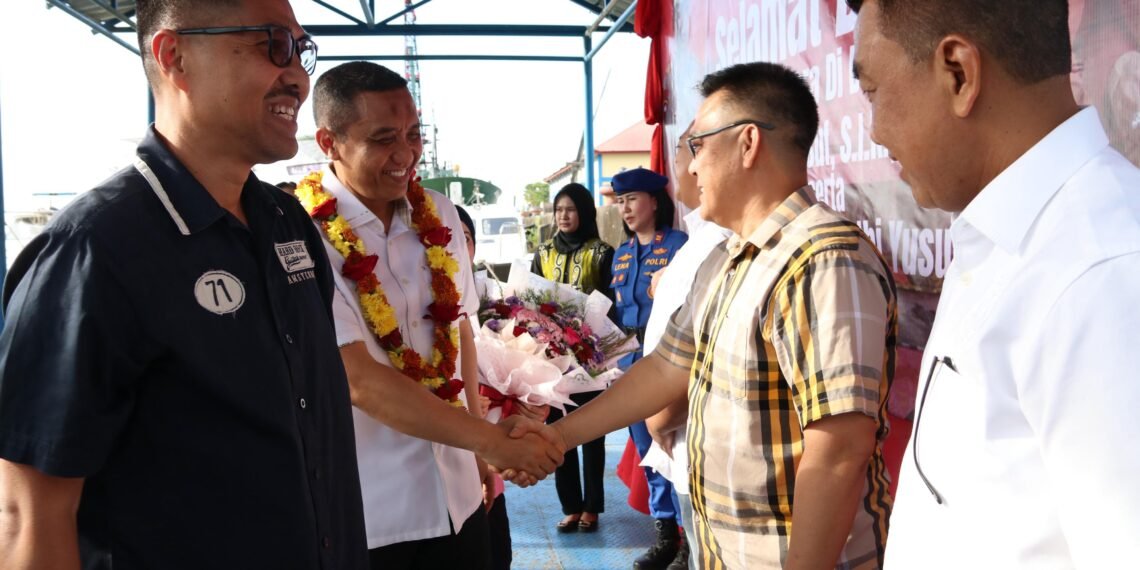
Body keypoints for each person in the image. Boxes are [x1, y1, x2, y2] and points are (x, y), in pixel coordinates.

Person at [0, 1, 371, 568]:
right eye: (273, 43)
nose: (298, 75)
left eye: (302, 49)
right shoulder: (94, 251)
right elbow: (30, 517)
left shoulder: (286, 222)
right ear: (175, 57)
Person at [507, 61, 897, 569]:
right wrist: (558, 437)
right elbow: (666, 369)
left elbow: (839, 454)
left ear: (748, 142)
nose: (689, 168)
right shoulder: (726, 256)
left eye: (699, 147)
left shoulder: (823, 259)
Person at [848, 0, 1140, 567]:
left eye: (874, 92)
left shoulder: (1103, 272)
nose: (876, 130)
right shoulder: (1004, 235)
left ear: (958, 72)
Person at [307, 61, 561, 570]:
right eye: (383, 139)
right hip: (373, 511)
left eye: (413, 134)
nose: (406, 154)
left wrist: (479, 456)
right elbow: (356, 378)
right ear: (329, 143)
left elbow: (461, 330)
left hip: (460, 495)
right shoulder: (303, 234)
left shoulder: (439, 214)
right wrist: (492, 441)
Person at [642, 121, 734, 570]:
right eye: (687, 152)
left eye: (691, 151)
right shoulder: (700, 240)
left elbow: (700, 353)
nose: (687, 166)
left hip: (693, 435)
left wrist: (660, 418)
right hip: (682, 440)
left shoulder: (721, 244)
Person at [609, 166, 688, 570]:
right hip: (629, 360)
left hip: (666, 357)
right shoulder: (621, 254)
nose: (625, 208)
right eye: (620, 202)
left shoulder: (678, 245)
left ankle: (689, 536)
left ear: (654, 202)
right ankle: (666, 534)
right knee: (646, 450)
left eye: (632, 199)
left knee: (673, 445)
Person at [530, 182, 615, 533]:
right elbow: (530, 298)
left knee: (593, 430)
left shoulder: (602, 252)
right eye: (559, 210)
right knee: (556, 428)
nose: (564, 216)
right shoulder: (543, 251)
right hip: (553, 358)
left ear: (584, 212)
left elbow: (612, 302)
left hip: (591, 356)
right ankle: (570, 506)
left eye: (571, 209)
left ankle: (592, 507)